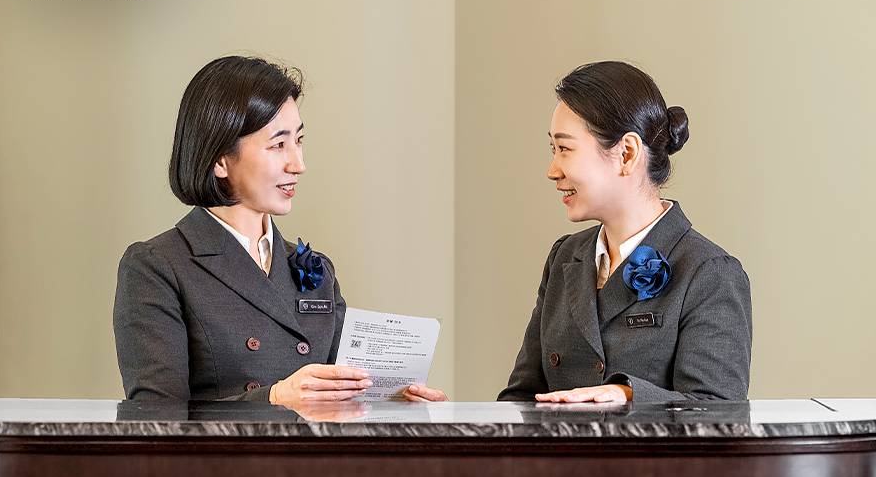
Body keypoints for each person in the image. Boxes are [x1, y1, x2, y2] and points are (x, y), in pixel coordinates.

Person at [405, 61, 752, 404]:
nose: (552, 170)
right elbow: (523, 402)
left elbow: (717, 414)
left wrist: (626, 394)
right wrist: (451, 421)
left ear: (627, 154)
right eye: (552, 150)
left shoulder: (710, 272)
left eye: (565, 149)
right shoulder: (565, 257)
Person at [113, 56, 372, 403]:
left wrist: (397, 404)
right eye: (278, 145)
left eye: (299, 140)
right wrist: (274, 398)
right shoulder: (157, 267)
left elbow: (345, 397)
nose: (299, 164)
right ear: (221, 160)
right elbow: (158, 421)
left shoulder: (318, 270)